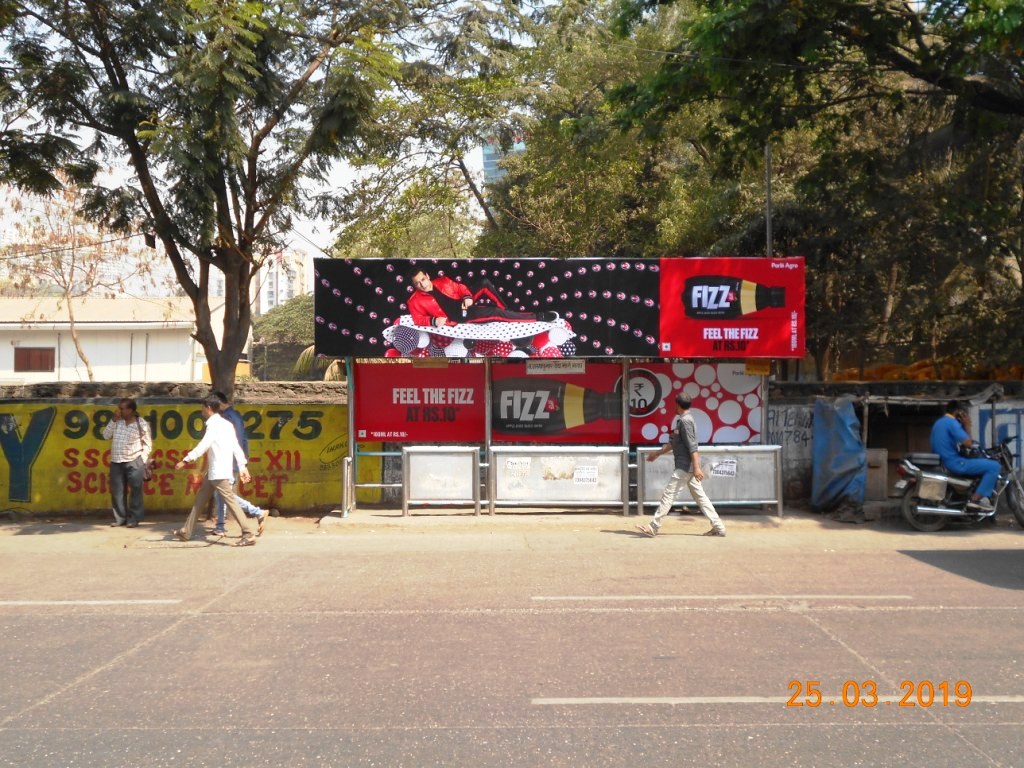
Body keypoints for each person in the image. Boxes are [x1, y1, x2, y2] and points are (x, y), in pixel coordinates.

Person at [637, 394, 726, 538]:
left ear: (677, 405)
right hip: (687, 467)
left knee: (668, 495)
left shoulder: (685, 422)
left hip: (685, 467)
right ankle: (719, 528)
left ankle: (654, 526)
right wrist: (657, 453)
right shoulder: (683, 421)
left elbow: (693, 446)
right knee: (701, 498)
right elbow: (673, 444)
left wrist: (697, 468)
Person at [173, 396, 258, 546]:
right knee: (199, 501)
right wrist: (243, 466)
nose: (201, 411)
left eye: (203, 408)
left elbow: (203, 445)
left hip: (218, 472)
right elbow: (236, 447)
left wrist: (186, 460)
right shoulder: (227, 424)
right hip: (215, 472)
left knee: (230, 501)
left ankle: (248, 533)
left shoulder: (214, 425)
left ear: (208, 408)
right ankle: (186, 531)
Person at [407, 268, 558, 328]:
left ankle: (508, 311)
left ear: (427, 276)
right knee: (494, 312)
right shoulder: (414, 300)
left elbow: (460, 288)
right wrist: (433, 321)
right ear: (414, 285)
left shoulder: (443, 281)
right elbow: (417, 319)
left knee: (484, 283)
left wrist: (466, 296)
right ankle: (539, 317)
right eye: (417, 283)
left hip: (464, 305)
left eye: (423, 280)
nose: (422, 284)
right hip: (459, 317)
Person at [210, 391, 271, 537]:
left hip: (228, 461)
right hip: (232, 461)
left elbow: (234, 442)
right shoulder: (235, 416)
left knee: (224, 493)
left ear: (219, 404)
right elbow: (242, 441)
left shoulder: (228, 418)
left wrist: (240, 462)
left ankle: (257, 512)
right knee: (222, 493)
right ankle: (220, 525)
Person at [930, 400, 1000, 510]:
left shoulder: (939, 422)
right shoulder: (951, 422)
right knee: (994, 466)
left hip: (943, 461)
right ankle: (975, 499)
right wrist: (967, 425)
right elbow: (968, 442)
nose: (964, 415)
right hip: (953, 462)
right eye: (963, 412)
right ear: (958, 412)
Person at [101, 398, 152, 528]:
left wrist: (142, 459)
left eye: (122, 408)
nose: (120, 411)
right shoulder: (117, 422)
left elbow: (147, 444)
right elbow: (105, 436)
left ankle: (134, 518)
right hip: (116, 461)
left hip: (134, 461)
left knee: (135, 491)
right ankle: (120, 518)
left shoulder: (142, 424)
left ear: (131, 410)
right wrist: (113, 420)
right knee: (117, 491)